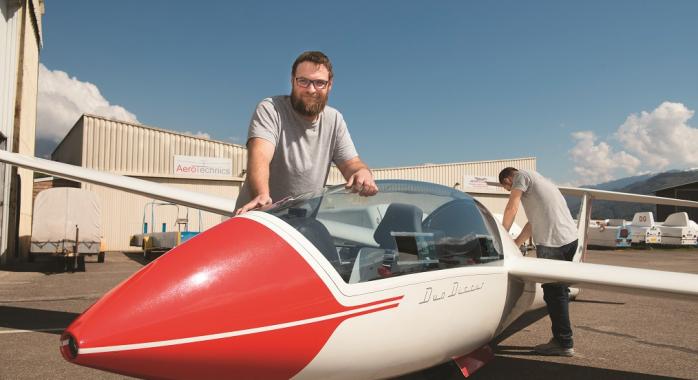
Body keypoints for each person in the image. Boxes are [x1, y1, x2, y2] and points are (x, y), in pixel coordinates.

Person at [235, 51, 378, 215]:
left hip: (302, 226)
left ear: (329, 85)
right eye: (303, 81)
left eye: (319, 83)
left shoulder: (335, 120)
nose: (311, 89)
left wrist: (362, 172)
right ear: (292, 81)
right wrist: (262, 194)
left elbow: (351, 164)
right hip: (260, 218)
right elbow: (260, 155)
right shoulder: (271, 109)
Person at [499, 167, 578, 357]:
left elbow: (512, 206)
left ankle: (563, 342)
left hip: (553, 243)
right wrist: (515, 244)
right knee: (559, 291)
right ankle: (562, 339)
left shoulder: (521, 176)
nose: (510, 191)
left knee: (553, 293)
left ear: (509, 179)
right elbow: (533, 223)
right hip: (569, 240)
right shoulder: (543, 182)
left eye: (507, 187)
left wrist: (501, 237)